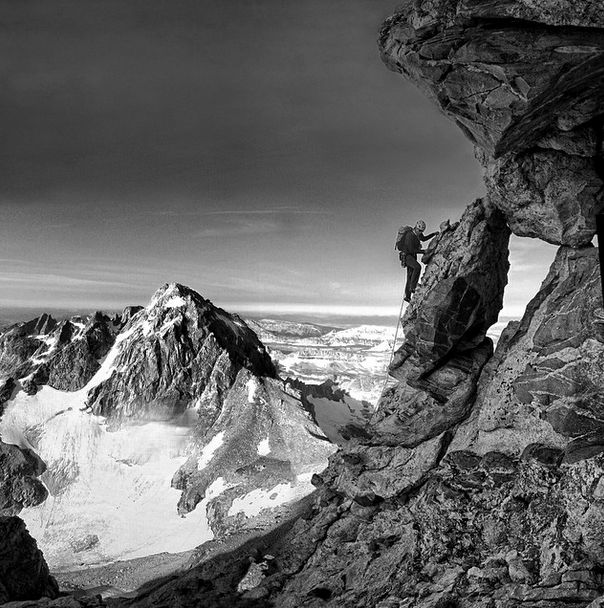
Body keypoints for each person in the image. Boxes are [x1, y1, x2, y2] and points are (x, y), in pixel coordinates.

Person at [399, 220, 438, 302]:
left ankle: (408, 296)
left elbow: (423, 239)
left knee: (410, 275)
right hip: (407, 256)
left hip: (412, 256)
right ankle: (413, 287)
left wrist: (433, 234)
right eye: (419, 230)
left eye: (421, 231)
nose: (420, 232)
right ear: (416, 227)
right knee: (417, 267)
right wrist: (423, 251)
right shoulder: (410, 235)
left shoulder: (417, 234)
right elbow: (411, 249)